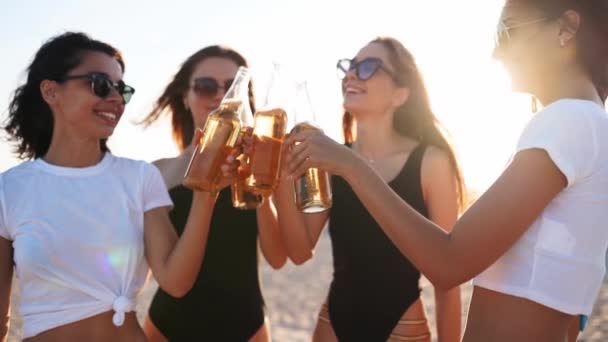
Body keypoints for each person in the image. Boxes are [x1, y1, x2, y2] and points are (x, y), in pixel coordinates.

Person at [283, 1, 608, 341]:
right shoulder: (587, 124)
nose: (498, 52)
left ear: (565, 28)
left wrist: (351, 166)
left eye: (508, 32)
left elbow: (449, 264)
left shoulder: (570, 121)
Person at [0, 32, 233, 342]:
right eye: (100, 84)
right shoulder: (10, 190)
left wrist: (207, 194)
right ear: (51, 91)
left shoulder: (139, 178)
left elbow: (175, 282)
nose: (115, 97)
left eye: (121, 89)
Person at [275, 37, 464, 342]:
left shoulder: (430, 162)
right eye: (350, 67)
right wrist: (282, 178)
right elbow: (299, 251)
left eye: (368, 67)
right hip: (332, 325)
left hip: (401, 327)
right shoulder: (331, 160)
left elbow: (449, 278)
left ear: (401, 94)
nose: (351, 74)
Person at [140, 45, 287, 342]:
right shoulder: (157, 173)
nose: (220, 95)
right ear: (186, 95)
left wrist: (258, 183)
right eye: (206, 86)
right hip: (167, 330)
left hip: (248, 329)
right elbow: (158, 274)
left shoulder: (263, 167)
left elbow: (278, 258)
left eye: (232, 87)